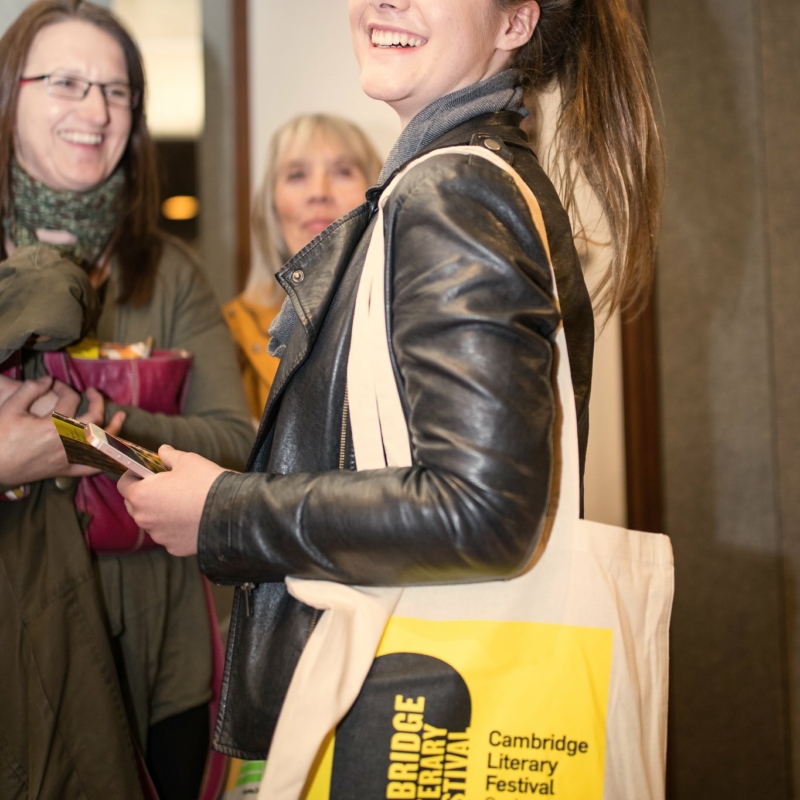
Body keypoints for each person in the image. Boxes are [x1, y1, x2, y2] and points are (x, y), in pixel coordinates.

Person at [120, 0, 663, 765]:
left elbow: (482, 512)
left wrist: (223, 514)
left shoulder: (452, 194)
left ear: (515, 24)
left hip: (402, 713)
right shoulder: (458, 179)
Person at [0, 2, 252, 798]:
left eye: (117, 91)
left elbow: (235, 441)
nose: (97, 109)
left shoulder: (169, 272)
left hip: (158, 653)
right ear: (9, 94)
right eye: (66, 82)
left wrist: (84, 432)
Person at [224, 113, 382, 423]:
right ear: (270, 206)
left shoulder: (409, 314)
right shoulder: (228, 334)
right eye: (297, 175)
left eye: (343, 171)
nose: (318, 192)